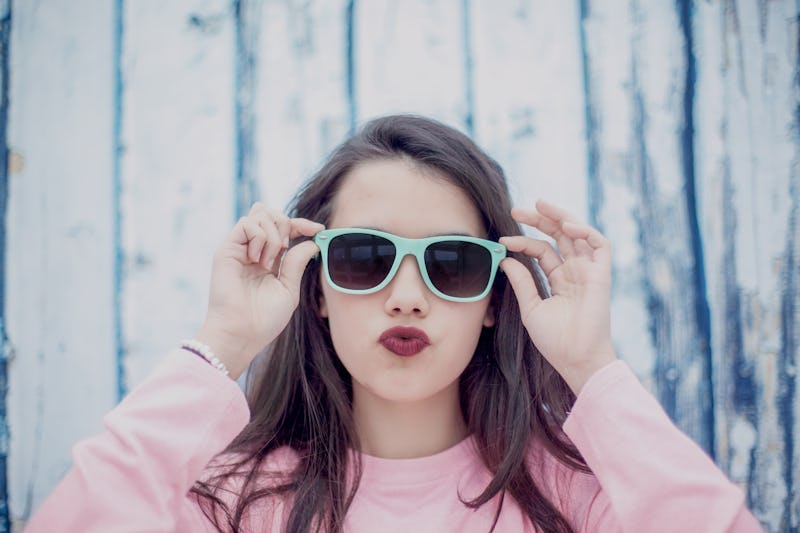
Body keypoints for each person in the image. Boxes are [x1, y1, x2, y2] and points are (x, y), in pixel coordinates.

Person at [26, 115, 761, 532]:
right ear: (314, 286)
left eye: (452, 264)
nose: (407, 296)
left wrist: (593, 370)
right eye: (364, 256)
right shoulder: (232, 502)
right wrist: (224, 341)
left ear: (495, 299)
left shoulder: (573, 496)